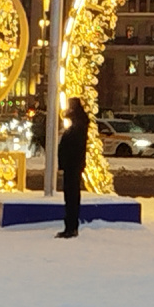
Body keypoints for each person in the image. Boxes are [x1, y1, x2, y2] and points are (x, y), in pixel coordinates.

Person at [56, 97, 89, 239]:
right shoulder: (76, 125)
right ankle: (69, 226)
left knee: (71, 196)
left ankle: (71, 227)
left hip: (73, 165)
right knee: (69, 196)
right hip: (71, 165)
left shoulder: (78, 126)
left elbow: (72, 147)